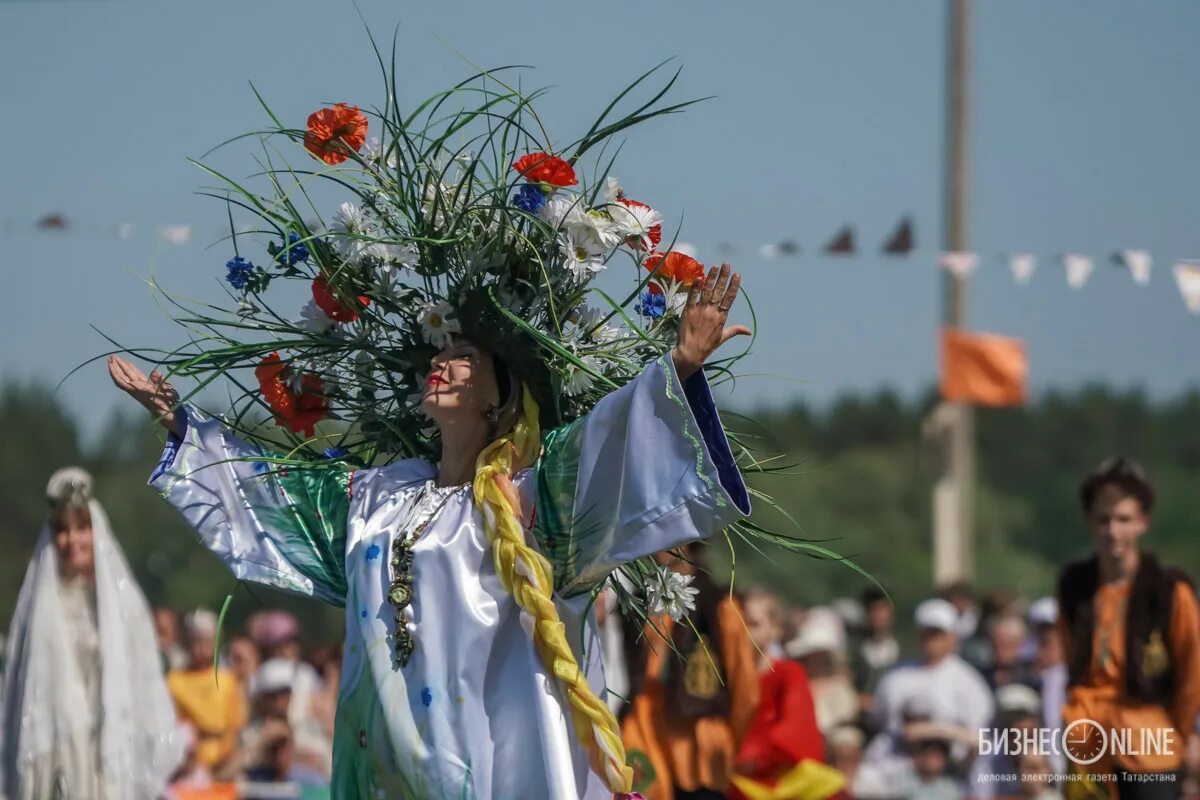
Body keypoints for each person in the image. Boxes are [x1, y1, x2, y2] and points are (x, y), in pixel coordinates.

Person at [112, 269, 752, 798]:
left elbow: (612, 446)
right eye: (438, 355)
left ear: (498, 399)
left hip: (486, 760)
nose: (440, 363)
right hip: (382, 763)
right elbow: (278, 492)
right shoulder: (377, 497)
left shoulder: (530, 500)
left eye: (463, 357)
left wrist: (682, 364)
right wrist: (180, 425)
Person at [0, 467, 182, 799]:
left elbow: (142, 683)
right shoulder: (35, 612)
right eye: (63, 530)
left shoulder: (122, 608)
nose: (73, 541)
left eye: (82, 528)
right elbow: (20, 697)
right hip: (53, 757)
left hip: (107, 754)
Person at [1057, 457, 1200, 798]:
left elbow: (1191, 672)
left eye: (1124, 519)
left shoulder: (1169, 591)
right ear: (1090, 522)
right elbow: (1071, 661)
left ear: (1142, 523)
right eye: (1104, 520)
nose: (1113, 531)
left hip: (1149, 743)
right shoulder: (1075, 585)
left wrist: (1178, 735)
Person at [619, 545, 759, 800]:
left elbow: (745, 688)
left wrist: (728, 741)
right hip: (644, 741)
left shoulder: (719, 605)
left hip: (699, 750)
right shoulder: (635, 602)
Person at [730, 588, 833, 800]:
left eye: (754, 624)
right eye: (739, 622)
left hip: (778, 784)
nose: (744, 631)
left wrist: (749, 755)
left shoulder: (788, 674)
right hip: (732, 779)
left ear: (775, 629)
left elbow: (796, 731)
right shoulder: (726, 676)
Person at [167, 609, 248, 778]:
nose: (202, 647)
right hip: (187, 765)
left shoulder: (227, 679)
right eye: (197, 640)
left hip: (224, 764)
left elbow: (235, 725)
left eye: (208, 641)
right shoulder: (174, 680)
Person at [850, 587, 899, 723]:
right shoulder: (854, 649)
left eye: (882, 609)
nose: (878, 615)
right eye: (873, 609)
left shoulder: (902, 649)